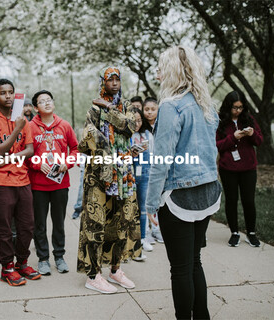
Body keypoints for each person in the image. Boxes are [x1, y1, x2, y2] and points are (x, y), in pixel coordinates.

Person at [146, 46, 222, 319]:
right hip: (208, 193)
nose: (157, 71)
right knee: (194, 263)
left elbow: (161, 160)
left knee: (180, 268)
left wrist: (151, 204)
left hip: (179, 197)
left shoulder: (171, 105)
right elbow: (211, 152)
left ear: (171, 70)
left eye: (160, 66)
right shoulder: (205, 104)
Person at [77, 67, 141, 294]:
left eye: (117, 79)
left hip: (124, 175)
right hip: (99, 175)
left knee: (121, 222)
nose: (114, 83)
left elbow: (131, 126)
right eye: (109, 79)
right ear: (103, 82)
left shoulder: (127, 107)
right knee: (96, 222)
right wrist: (106, 151)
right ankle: (93, 275)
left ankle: (115, 270)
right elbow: (86, 138)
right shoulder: (93, 109)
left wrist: (109, 108)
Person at [0, 78, 41, 286]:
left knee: (27, 226)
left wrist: (7, 159)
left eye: (10, 92)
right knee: (5, 228)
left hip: (22, 180)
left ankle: (22, 263)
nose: (7, 96)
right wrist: (16, 130)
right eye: (2, 93)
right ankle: (7, 267)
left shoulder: (23, 121)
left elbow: (30, 150)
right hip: (0, 182)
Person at [28, 90, 78, 275]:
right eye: (42, 101)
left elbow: (75, 149)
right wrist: (37, 164)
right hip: (38, 185)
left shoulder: (64, 125)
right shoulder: (30, 127)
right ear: (36, 108)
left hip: (60, 184)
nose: (47, 103)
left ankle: (59, 256)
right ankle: (43, 259)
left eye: (49, 100)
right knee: (39, 224)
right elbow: (25, 154)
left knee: (59, 223)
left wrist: (67, 163)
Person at [216, 91, 263, 247]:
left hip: (248, 167)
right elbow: (217, 145)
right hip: (228, 168)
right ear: (228, 106)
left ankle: (251, 233)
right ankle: (234, 233)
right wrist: (233, 138)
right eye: (235, 107)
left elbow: (259, 141)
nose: (238, 110)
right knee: (231, 201)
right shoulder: (220, 122)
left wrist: (252, 134)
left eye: (241, 107)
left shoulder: (248, 119)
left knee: (249, 201)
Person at [131, 108, 153, 256]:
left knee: (143, 208)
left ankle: (143, 237)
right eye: (134, 120)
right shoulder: (125, 136)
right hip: (130, 175)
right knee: (131, 209)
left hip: (145, 173)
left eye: (139, 120)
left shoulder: (146, 135)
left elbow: (153, 154)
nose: (137, 123)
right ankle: (131, 240)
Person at [142, 97, 164, 244]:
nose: (149, 112)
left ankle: (157, 230)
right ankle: (147, 231)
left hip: (160, 167)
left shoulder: (162, 126)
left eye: (153, 109)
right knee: (146, 200)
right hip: (144, 169)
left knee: (159, 199)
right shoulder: (141, 129)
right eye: (146, 109)